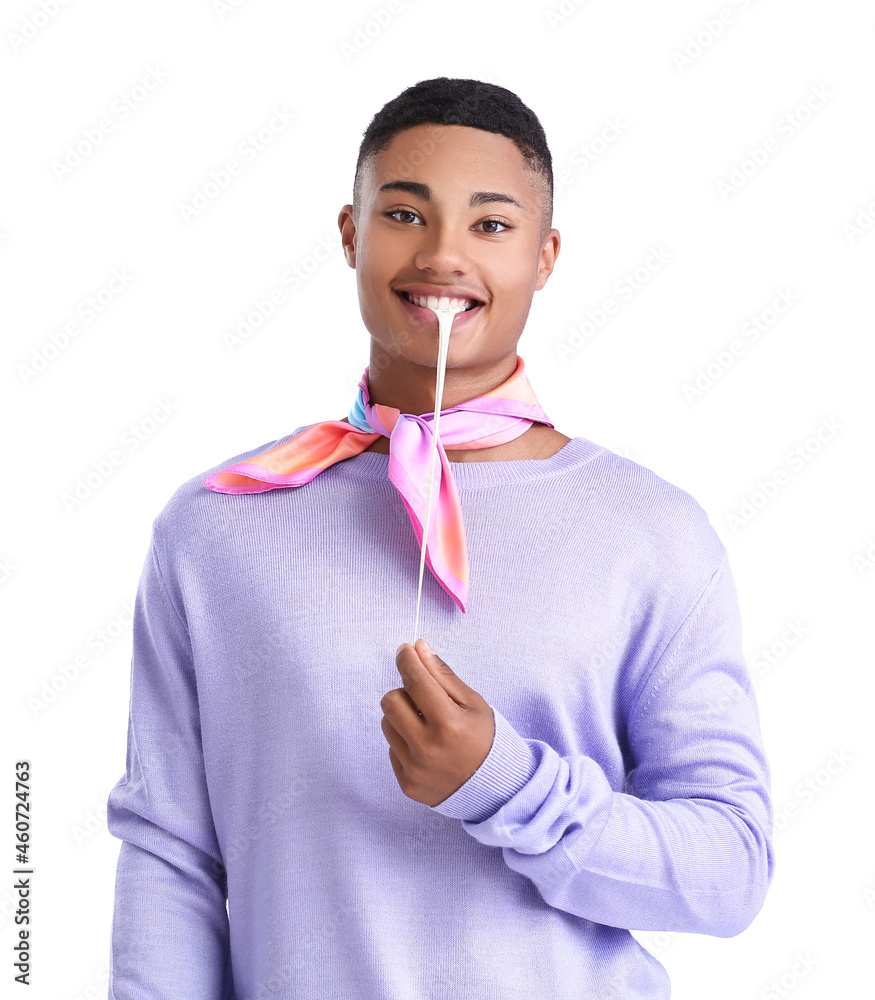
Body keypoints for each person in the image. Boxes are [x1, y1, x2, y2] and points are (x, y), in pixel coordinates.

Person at [105, 77, 774, 999]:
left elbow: (729, 871)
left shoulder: (651, 532)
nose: (444, 254)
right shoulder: (216, 527)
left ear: (544, 257)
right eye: (406, 213)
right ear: (350, 234)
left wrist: (501, 783)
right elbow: (169, 854)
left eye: (490, 226)